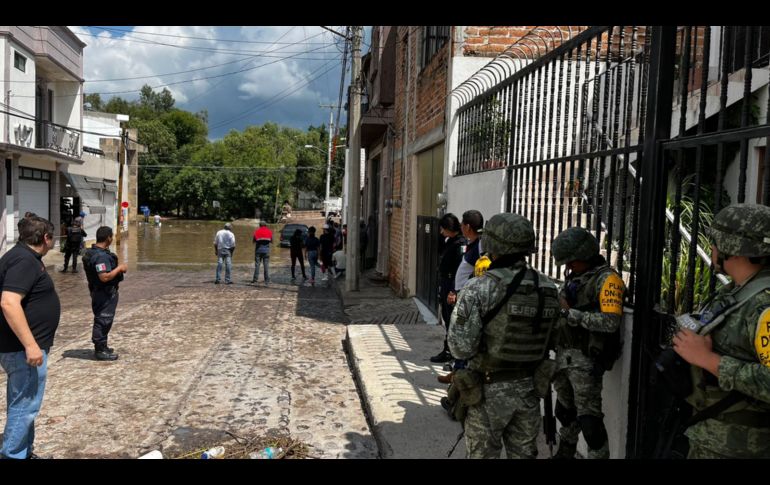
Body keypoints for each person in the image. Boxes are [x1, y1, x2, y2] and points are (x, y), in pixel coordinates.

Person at [448, 213, 559, 458]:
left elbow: (460, 347)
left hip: (487, 394)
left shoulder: (479, 288)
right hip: (529, 392)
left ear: (492, 244)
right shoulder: (548, 288)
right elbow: (555, 339)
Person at [672, 203, 770, 459]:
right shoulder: (736, 292)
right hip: (712, 436)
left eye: (715, 241)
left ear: (732, 248)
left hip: (740, 447)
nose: (712, 248)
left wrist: (708, 360)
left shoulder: (764, 304)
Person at [549, 227, 624, 459]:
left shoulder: (608, 280)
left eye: (571, 262)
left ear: (584, 255)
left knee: (590, 422)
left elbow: (610, 322)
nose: (568, 267)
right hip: (565, 357)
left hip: (586, 362)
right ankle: (566, 452)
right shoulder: (577, 277)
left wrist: (572, 315)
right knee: (564, 411)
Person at [0, 216, 59, 459]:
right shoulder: (24, 261)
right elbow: (9, 302)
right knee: (24, 407)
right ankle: (12, 454)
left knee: (23, 405)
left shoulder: (21, 256)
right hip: (23, 351)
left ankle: (24, 451)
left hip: (20, 349)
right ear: (45, 238)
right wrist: (31, 345)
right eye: (52, 237)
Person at [438, 209, 484, 384]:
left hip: (467, 298)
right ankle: (457, 370)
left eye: (463, 224)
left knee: (462, 335)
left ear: (468, 227)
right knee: (459, 334)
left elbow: (476, 272)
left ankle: (459, 373)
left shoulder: (479, 245)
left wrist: (456, 292)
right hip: (460, 295)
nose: (461, 227)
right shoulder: (473, 244)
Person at [82, 226, 127, 361]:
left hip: (99, 291)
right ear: (108, 238)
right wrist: (120, 268)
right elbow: (104, 277)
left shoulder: (93, 252)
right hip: (104, 293)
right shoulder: (101, 257)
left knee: (105, 319)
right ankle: (100, 350)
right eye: (111, 237)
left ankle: (103, 345)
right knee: (103, 319)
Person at [430, 213, 465, 363]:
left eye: (443, 229)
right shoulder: (449, 241)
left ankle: (450, 351)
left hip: (451, 285)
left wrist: (453, 291)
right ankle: (449, 349)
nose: (441, 232)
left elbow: (458, 270)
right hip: (445, 283)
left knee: (451, 319)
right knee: (446, 317)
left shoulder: (459, 244)